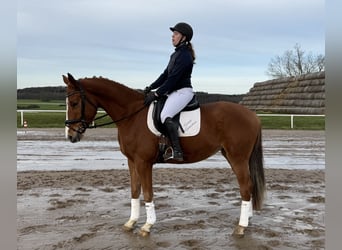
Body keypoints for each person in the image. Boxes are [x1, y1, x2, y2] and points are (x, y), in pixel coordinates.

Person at [144, 22, 196, 161]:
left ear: (184, 37)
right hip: (173, 92)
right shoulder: (175, 54)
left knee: (165, 115)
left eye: (176, 34)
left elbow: (173, 79)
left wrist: (156, 94)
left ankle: (177, 151)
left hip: (182, 92)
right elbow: (165, 75)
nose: (172, 37)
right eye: (172, 34)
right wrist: (151, 87)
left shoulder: (185, 56)